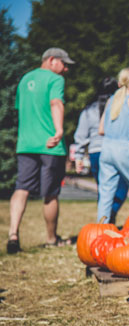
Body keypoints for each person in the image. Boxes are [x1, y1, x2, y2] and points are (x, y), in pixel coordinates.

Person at [7, 47, 75, 254]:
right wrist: (59, 130)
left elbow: (22, 111)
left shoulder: (25, 79)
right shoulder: (55, 80)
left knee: (22, 188)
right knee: (50, 194)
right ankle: (51, 238)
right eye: (64, 65)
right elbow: (56, 103)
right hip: (50, 146)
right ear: (52, 60)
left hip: (26, 144)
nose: (65, 70)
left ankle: (12, 234)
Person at [73, 78, 129, 224]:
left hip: (96, 152)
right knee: (123, 189)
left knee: (105, 190)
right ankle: (111, 215)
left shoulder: (89, 110)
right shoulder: (122, 104)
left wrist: (79, 156)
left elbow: (81, 134)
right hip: (117, 149)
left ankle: (104, 220)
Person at [97, 68, 129, 223]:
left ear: (119, 83)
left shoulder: (110, 101)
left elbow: (101, 130)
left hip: (106, 148)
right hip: (124, 148)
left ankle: (101, 228)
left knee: (106, 193)